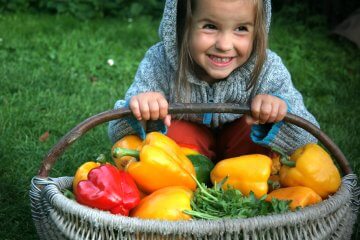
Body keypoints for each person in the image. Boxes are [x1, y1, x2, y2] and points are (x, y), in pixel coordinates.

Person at [108, 0, 319, 161]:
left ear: (258, 31)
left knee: (255, 129)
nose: (225, 44)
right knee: (170, 131)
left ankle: (247, 204)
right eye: (210, 26)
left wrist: (279, 113)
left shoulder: (267, 69)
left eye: (241, 29)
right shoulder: (160, 62)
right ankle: (183, 195)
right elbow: (116, 133)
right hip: (184, 167)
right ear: (182, 25)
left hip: (245, 169)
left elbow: (310, 139)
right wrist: (141, 110)